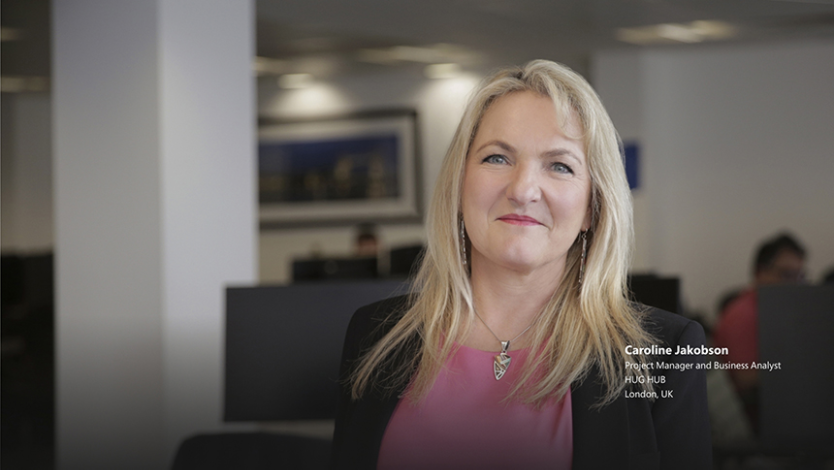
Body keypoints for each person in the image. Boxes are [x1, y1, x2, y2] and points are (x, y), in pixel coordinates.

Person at [332, 60, 711, 469]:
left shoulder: (661, 355)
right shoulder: (376, 335)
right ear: (460, 185)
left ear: (592, 208)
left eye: (560, 166)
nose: (523, 189)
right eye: (497, 158)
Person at [713, 232, 806, 431]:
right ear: (759, 272)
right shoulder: (744, 314)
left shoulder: (777, 312)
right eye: (787, 275)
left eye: (801, 276)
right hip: (759, 424)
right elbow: (746, 379)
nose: (795, 284)